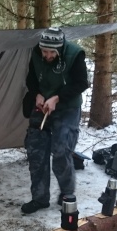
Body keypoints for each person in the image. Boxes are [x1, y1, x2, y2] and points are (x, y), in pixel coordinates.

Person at [21, 27, 89, 214]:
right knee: (36, 151)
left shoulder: (74, 55)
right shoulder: (36, 53)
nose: (48, 55)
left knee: (61, 151)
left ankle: (66, 193)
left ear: (60, 48)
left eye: (52, 52)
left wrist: (57, 98)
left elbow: (82, 83)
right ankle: (39, 198)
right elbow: (31, 79)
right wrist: (38, 94)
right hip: (42, 106)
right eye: (45, 51)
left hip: (67, 107)